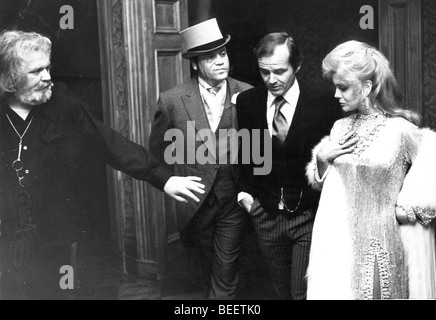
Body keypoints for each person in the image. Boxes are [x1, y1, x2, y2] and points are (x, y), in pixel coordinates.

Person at [0, 30, 195, 300]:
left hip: (55, 235)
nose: (47, 77)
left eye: (48, 68)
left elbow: (111, 144)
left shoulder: (65, 105)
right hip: (8, 236)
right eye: (36, 72)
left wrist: (163, 178)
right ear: (10, 78)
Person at [305, 40, 436, 299]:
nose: (336, 95)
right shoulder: (339, 128)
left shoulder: (403, 131)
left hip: (382, 245)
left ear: (366, 87)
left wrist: (406, 213)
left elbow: (429, 192)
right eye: (336, 87)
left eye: (343, 87)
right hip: (338, 247)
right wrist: (321, 160)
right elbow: (327, 190)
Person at [146, 18, 252, 299]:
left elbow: (259, 149)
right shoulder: (172, 100)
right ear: (195, 63)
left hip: (233, 201)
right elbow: (157, 154)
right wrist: (175, 181)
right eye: (210, 57)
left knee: (225, 273)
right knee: (206, 269)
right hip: (196, 204)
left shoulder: (248, 93)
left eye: (223, 53)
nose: (220, 62)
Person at [236, 32, 342, 299]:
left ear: (297, 65)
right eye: (264, 72)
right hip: (265, 216)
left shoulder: (325, 104)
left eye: (280, 71)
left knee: (302, 294)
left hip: (308, 217)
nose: (272, 80)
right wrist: (247, 198)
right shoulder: (248, 103)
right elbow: (247, 157)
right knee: (281, 293)